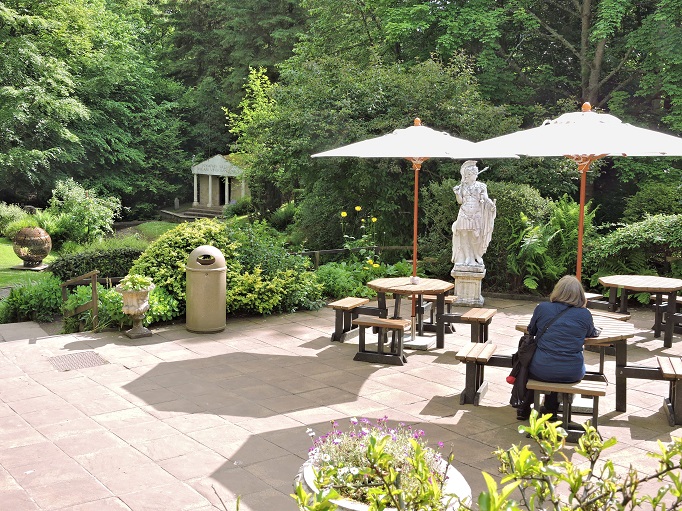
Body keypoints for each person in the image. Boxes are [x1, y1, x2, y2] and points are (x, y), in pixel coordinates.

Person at [516, 275, 601, 420]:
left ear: (557, 291)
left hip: (541, 369)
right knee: (561, 364)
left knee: (534, 364)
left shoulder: (542, 308)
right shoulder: (585, 314)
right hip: (572, 372)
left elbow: (532, 330)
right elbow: (591, 333)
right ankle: (551, 409)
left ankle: (525, 406)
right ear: (580, 294)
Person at [451, 160, 496, 268]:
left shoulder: (481, 186)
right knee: (464, 236)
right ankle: (467, 257)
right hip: (464, 213)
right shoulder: (462, 186)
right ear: (468, 175)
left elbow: (485, 198)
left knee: (476, 235)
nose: (475, 175)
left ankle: (477, 255)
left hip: (476, 214)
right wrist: (457, 193)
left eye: (476, 173)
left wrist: (491, 205)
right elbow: (460, 201)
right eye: (473, 174)